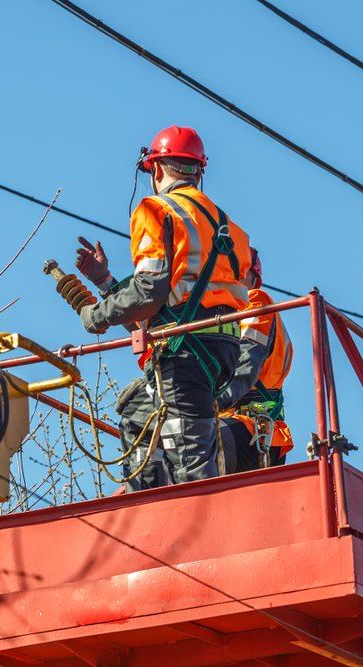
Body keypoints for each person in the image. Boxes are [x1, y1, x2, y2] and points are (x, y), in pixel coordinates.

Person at [74, 125, 251, 491]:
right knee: (136, 416)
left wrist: (97, 316)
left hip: (187, 351)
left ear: (155, 169)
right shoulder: (228, 227)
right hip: (221, 350)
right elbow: (172, 302)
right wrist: (106, 283)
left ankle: (198, 526)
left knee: (189, 458)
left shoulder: (155, 210)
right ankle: (149, 504)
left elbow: (150, 291)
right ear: (199, 171)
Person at [217, 247, 294, 473]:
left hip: (253, 432)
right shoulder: (217, 316)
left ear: (252, 276)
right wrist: (106, 283)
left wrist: (204, 404)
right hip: (228, 423)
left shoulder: (255, 302)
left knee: (198, 442)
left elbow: (244, 368)